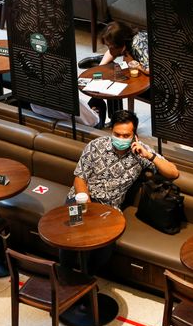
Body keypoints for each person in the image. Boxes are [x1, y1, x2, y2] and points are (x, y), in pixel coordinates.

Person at [65, 109, 179, 272]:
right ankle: (66, 274)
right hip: (81, 199)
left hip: (110, 209)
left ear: (134, 136)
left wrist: (149, 156)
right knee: (69, 233)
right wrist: (87, 205)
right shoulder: (95, 146)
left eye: (126, 136)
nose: (120, 139)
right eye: (117, 134)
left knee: (104, 244)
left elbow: (173, 173)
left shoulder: (141, 153)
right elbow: (79, 178)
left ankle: (87, 278)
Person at [89, 21, 150, 123]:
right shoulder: (126, 41)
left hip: (158, 80)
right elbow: (111, 52)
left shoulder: (137, 44)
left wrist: (136, 65)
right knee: (111, 76)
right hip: (138, 71)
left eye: (111, 46)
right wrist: (100, 68)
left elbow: (150, 69)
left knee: (117, 83)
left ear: (121, 43)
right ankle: (110, 116)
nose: (109, 49)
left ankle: (115, 119)